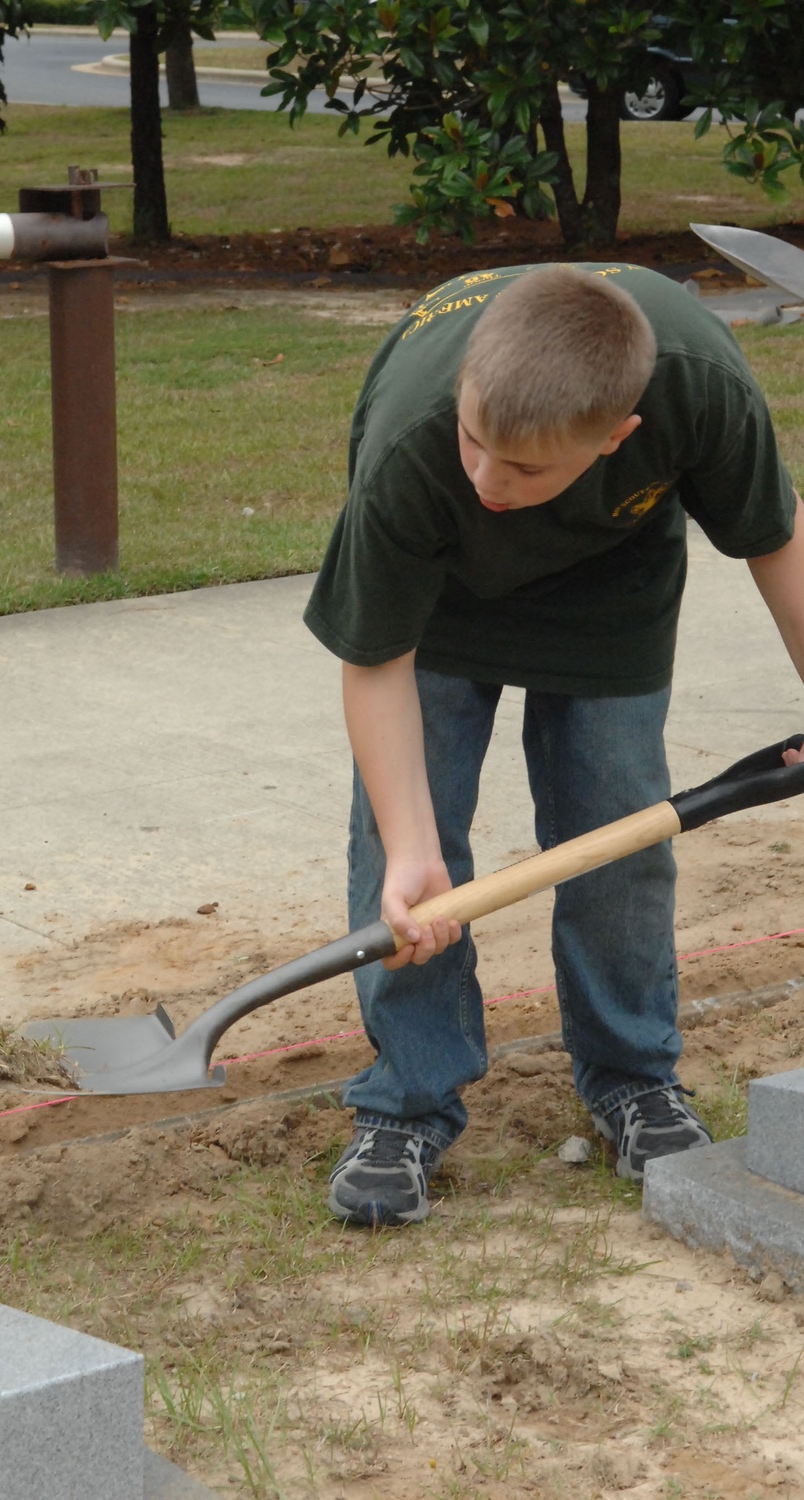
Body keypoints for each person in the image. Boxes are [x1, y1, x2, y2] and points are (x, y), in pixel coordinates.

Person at [303, 261, 804, 1227]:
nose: (490, 479)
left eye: (525, 466)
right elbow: (374, 663)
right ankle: (407, 1102)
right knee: (411, 852)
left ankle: (632, 1080)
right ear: (461, 396)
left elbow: (775, 541)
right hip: (437, 602)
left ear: (622, 436)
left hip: (609, 586)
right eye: (477, 440)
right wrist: (413, 851)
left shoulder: (700, 384)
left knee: (618, 821)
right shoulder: (417, 447)